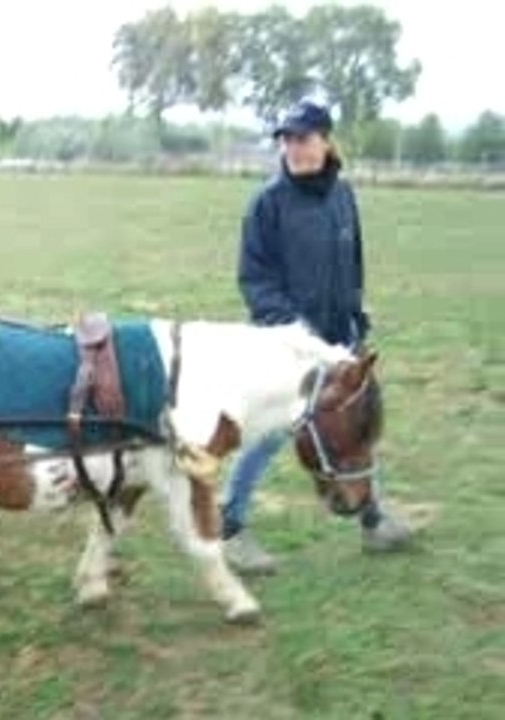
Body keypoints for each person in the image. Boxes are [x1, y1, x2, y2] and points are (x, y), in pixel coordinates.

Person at [222, 100, 412, 573]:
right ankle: (230, 529)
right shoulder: (267, 204)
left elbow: (352, 261)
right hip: (288, 345)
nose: (294, 148)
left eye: (303, 138)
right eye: (287, 139)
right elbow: (255, 280)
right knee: (271, 434)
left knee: (355, 423)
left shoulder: (342, 196)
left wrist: (356, 312)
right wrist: (293, 330)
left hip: (340, 336)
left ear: (326, 142)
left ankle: (372, 520)